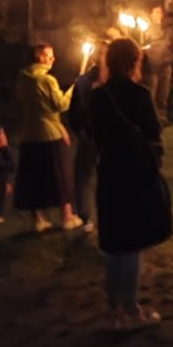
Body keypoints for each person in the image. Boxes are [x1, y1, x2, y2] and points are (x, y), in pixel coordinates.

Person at [90, 37, 171, 331]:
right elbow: (153, 132)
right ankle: (130, 308)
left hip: (109, 172)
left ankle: (113, 308)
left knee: (114, 244)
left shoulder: (98, 96)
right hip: (135, 173)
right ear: (133, 62)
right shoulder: (140, 95)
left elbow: (92, 132)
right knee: (131, 244)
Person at [12, 43, 82, 233]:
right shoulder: (47, 80)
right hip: (49, 135)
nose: (53, 59)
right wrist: (74, 90)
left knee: (33, 178)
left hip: (29, 135)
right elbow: (60, 105)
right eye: (49, 55)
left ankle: (38, 220)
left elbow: (37, 108)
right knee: (60, 175)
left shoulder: (22, 79)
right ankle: (67, 217)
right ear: (39, 57)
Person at [67, 41, 103, 234]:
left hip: (108, 138)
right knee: (84, 176)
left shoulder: (113, 81)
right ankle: (86, 216)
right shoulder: (84, 82)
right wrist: (82, 131)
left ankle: (105, 215)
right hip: (90, 136)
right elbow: (76, 110)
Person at [142, 6, 173, 122]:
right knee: (152, 92)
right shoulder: (146, 30)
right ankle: (151, 117)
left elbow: (168, 43)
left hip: (165, 64)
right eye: (156, 12)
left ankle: (162, 117)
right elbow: (144, 45)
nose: (159, 15)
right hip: (152, 65)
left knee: (163, 93)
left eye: (160, 13)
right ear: (151, 15)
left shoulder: (167, 30)